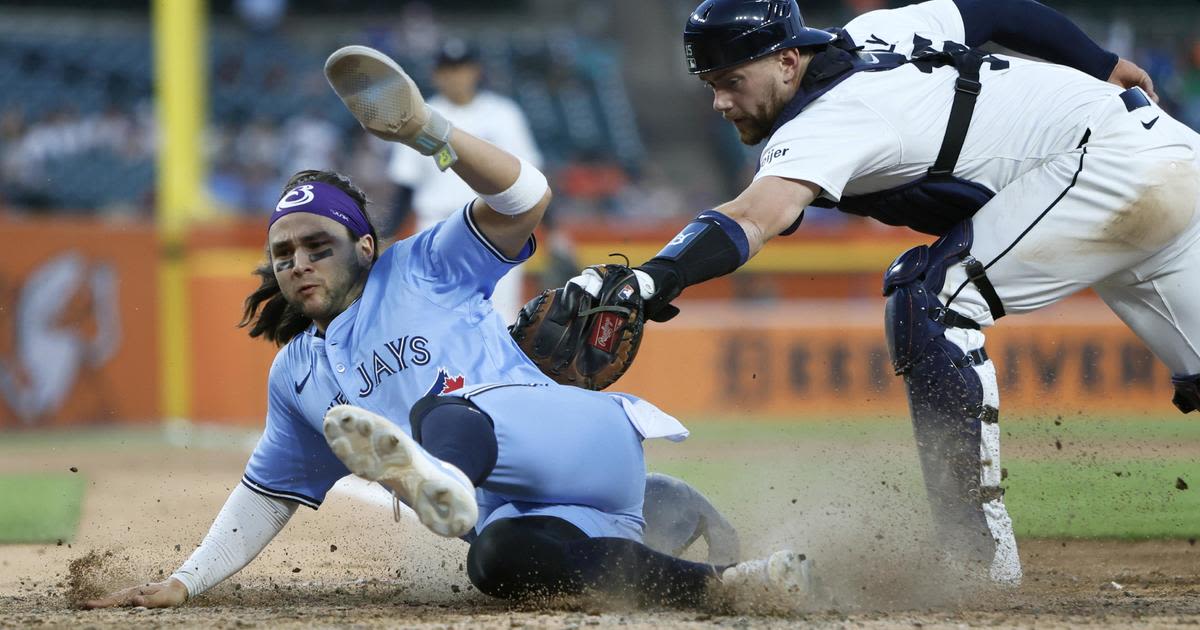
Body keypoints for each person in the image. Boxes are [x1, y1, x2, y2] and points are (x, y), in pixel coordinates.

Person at [82, 46, 789, 610]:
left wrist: (428, 130)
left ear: (365, 246)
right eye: (283, 253)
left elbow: (528, 196)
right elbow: (265, 497)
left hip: (574, 438)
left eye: (317, 245)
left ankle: (439, 473)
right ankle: (727, 578)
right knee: (497, 561)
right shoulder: (297, 373)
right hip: (544, 510)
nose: (299, 262)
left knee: (438, 412)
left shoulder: (422, 264)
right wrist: (182, 583)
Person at [568, 0, 1190, 586]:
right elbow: (1001, 11)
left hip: (1106, 167)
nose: (719, 101)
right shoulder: (875, 33)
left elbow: (756, 216)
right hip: (1170, 153)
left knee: (932, 298)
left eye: (731, 79)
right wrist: (1103, 62)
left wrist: (650, 278)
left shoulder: (829, 118)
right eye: (710, 83)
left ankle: (976, 560)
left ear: (787, 62)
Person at [387, 37, 543, 322]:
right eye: (448, 69)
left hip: (494, 225)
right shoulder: (418, 118)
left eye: (461, 68)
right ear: (436, 75)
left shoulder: (504, 114)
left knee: (500, 316)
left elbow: (529, 180)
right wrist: (387, 235)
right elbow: (404, 187)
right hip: (436, 226)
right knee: (435, 315)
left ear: (476, 71)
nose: (455, 76)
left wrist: (554, 231)